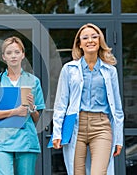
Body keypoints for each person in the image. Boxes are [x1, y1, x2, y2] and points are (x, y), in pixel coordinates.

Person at [51, 23, 124, 175]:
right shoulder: (69, 69)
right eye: (85, 38)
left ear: (100, 41)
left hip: (102, 126)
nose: (90, 40)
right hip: (76, 125)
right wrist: (57, 132)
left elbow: (117, 108)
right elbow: (61, 103)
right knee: (77, 172)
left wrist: (119, 138)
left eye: (94, 36)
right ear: (80, 44)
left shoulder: (110, 71)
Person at [0, 36, 46, 175]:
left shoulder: (33, 81)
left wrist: (32, 107)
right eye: (9, 53)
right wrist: (15, 111)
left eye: (17, 52)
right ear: (3, 57)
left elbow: (36, 118)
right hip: (1, 141)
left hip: (26, 140)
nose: (13, 56)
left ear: (23, 54)